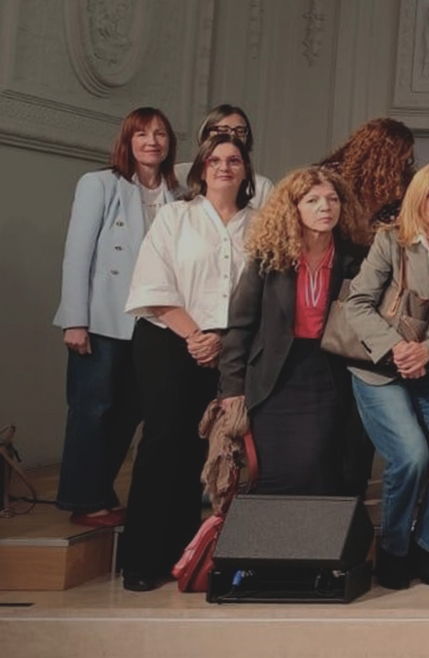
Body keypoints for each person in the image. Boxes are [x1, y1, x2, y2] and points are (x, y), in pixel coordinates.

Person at [118, 133, 258, 591]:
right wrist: (196, 335)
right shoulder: (175, 217)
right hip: (168, 341)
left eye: (233, 159)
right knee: (162, 445)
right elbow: (152, 285)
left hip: (231, 349)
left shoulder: (260, 225)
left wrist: (221, 340)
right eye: (214, 160)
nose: (224, 167)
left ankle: (184, 557)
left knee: (204, 455)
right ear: (200, 169)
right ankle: (141, 560)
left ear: (245, 169)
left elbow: (260, 298)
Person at [343, 161, 429, 590]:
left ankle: (422, 548)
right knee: (411, 457)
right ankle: (392, 552)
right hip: (382, 370)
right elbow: (357, 303)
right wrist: (397, 348)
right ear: (417, 199)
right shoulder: (392, 241)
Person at [55, 107, 178, 528]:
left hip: (152, 321)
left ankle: (100, 491)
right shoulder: (100, 184)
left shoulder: (176, 194)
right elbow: (78, 255)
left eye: (160, 134)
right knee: (93, 407)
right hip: (102, 319)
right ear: (127, 141)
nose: (152, 141)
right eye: (142, 134)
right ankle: (83, 498)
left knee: (132, 408)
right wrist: (75, 319)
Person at [218, 166, 371, 495]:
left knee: (318, 465)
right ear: (293, 208)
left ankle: (315, 545)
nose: (324, 207)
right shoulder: (267, 259)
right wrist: (232, 389)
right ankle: (270, 544)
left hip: (330, 373)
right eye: (312, 200)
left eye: (332, 200)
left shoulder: (358, 259)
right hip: (275, 377)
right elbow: (240, 326)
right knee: (276, 471)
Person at [320, 117, 416, 226]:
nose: (403, 168)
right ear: (378, 158)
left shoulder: (405, 186)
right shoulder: (331, 178)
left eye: (406, 161)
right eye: (398, 162)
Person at [177, 104, 275, 207]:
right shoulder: (179, 175)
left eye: (240, 131)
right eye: (223, 130)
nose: (232, 136)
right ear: (205, 136)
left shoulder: (262, 187)